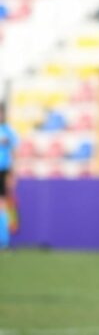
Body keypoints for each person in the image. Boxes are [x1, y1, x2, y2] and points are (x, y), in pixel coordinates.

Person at [0, 100, 17, 249]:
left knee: (3, 204)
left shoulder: (7, 131)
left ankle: (3, 240)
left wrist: (12, 174)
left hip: (2, 171)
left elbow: (13, 152)